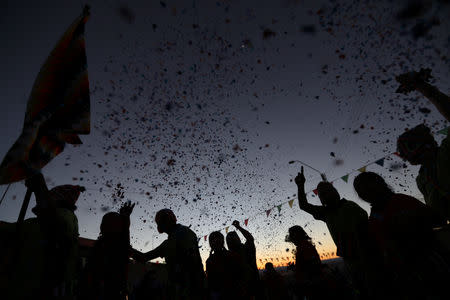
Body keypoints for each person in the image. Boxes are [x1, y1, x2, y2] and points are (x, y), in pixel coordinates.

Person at [353, 171, 450, 299]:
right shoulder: (373, 220)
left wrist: (414, 220)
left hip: (431, 264)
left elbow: (438, 219)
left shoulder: (402, 200)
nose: (365, 191)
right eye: (360, 189)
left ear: (380, 183)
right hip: (405, 275)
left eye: (368, 185)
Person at [294, 166, 370, 297]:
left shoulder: (350, 206)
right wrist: (300, 185)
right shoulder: (326, 213)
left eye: (327, 191)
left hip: (368, 257)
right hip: (350, 261)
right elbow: (304, 206)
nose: (325, 196)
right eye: (321, 195)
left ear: (336, 192)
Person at [6, 172, 83, 299]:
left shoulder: (66, 216)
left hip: (41, 290)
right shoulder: (33, 223)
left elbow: (56, 227)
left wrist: (40, 188)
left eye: (49, 196)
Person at [396, 68, 450, 223]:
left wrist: (424, 88)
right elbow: (438, 215)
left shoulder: (447, 151)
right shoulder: (421, 179)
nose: (405, 155)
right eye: (403, 151)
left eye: (410, 146)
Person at [134, 208, 205, 300]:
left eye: (164, 220)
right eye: (162, 221)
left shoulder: (183, 233)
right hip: (183, 289)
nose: (163, 223)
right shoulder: (169, 242)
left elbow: (192, 262)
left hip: (191, 289)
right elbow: (143, 257)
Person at [82, 201, 136, 300]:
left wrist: (126, 218)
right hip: (105, 291)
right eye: (115, 224)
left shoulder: (103, 244)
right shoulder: (107, 245)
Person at [206, 231, 246, 299]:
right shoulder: (232, 255)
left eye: (217, 240)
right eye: (214, 240)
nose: (216, 242)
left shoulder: (210, 260)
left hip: (232, 293)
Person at [226, 220, 260, 299]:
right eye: (228, 240)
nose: (231, 241)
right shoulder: (227, 256)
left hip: (253, 288)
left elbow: (250, 239)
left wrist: (238, 227)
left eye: (233, 238)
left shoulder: (246, 249)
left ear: (239, 239)